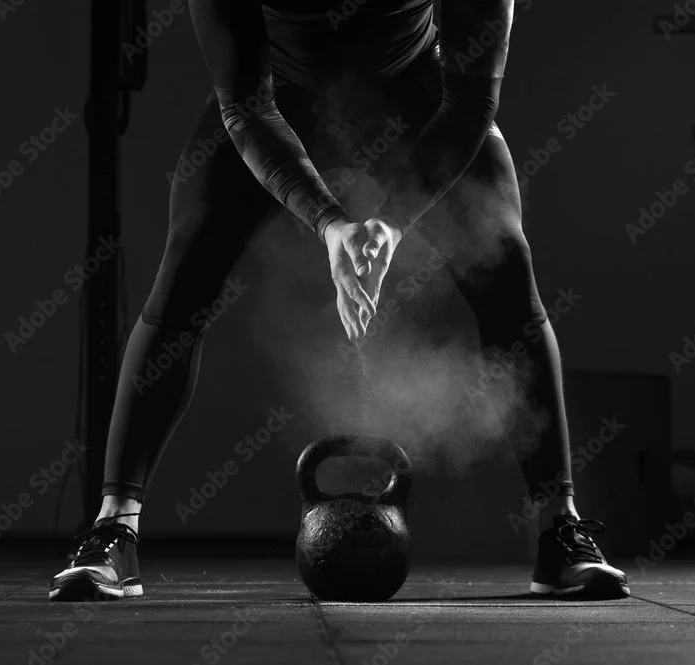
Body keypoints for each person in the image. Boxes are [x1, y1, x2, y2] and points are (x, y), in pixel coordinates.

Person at [50, 0, 630, 602]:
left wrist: (394, 222)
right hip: (276, 102)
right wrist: (329, 223)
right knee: (185, 273)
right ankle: (115, 529)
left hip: (421, 96)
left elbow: (470, 105)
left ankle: (559, 529)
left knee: (505, 264)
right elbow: (246, 106)